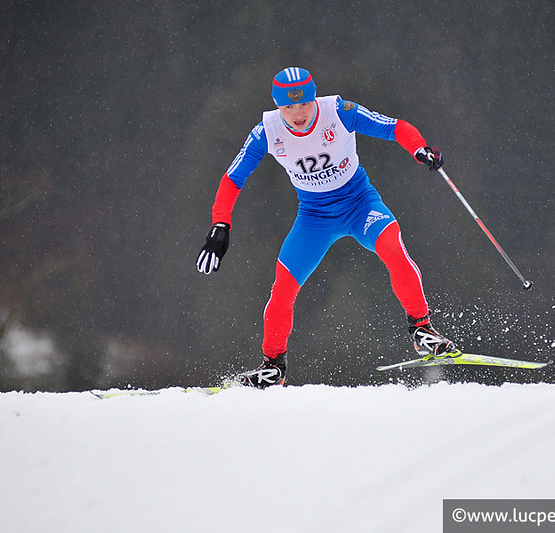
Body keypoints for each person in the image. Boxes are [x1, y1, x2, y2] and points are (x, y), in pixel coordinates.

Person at [196, 67, 457, 387]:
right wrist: (220, 226)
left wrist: (419, 148)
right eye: (288, 107)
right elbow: (232, 178)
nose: (298, 113)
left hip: (360, 204)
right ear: (278, 106)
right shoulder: (267, 131)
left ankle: (422, 329)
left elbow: (394, 127)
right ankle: (273, 365)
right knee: (283, 288)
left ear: (313, 96)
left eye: (304, 103)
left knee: (394, 251)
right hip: (314, 217)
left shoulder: (339, 112)